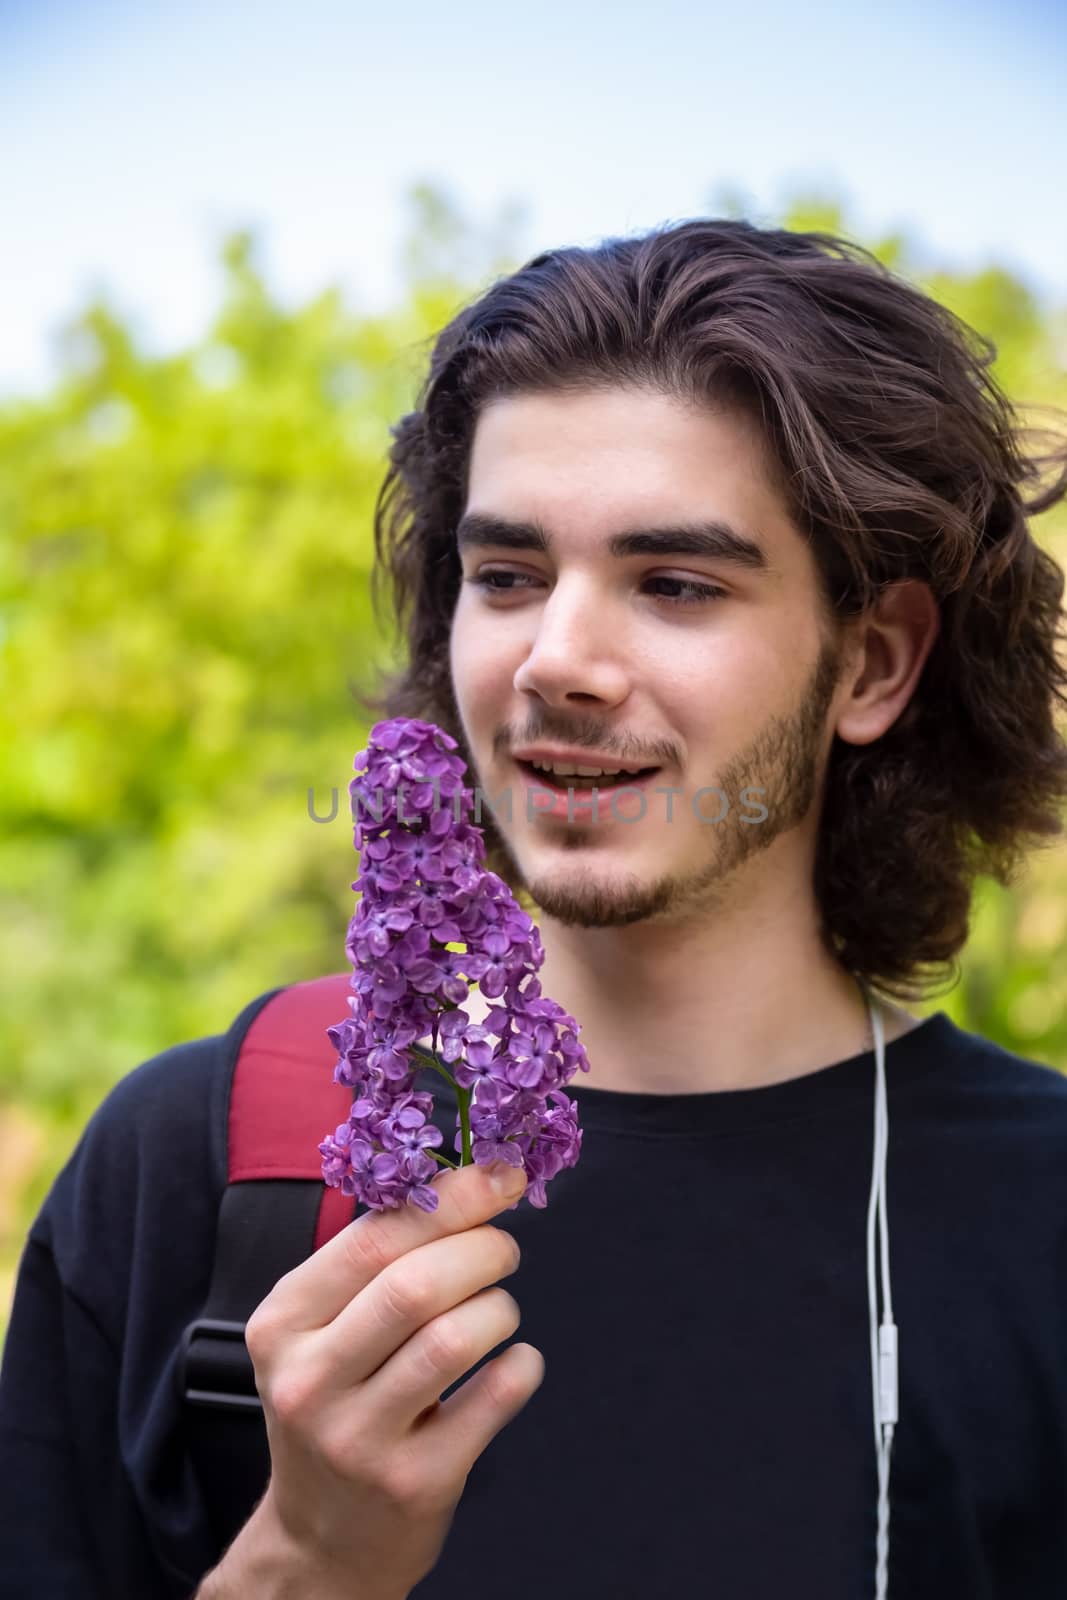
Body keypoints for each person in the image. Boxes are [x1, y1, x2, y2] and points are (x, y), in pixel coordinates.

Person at [3, 217, 1067, 1600]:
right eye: (506, 577)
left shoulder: (1044, 1218)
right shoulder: (193, 1173)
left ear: (871, 663)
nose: (557, 657)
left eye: (674, 583)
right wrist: (306, 1563)